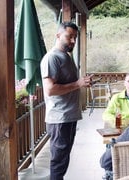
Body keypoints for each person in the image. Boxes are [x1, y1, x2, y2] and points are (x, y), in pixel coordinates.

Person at [40, 22, 93, 180]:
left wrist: (83, 82)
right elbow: (50, 89)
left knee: (63, 159)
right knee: (58, 160)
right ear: (58, 35)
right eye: (69, 36)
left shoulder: (66, 57)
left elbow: (69, 84)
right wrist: (78, 84)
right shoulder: (52, 58)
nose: (73, 41)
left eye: (75, 37)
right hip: (59, 117)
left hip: (68, 115)